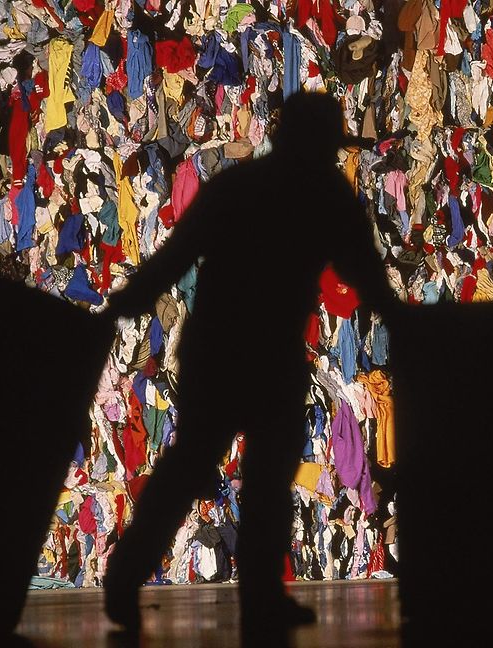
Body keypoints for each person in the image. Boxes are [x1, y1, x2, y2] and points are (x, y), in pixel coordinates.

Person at [101, 91, 401, 638]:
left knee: (198, 464)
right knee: (263, 477)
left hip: (218, 350)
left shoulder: (238, 187)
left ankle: (128, 574)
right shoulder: (327, 195)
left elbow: (171, 258)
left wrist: (119, 307)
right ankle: (257, 593)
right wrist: (408, 325)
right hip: (265, 355)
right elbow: (369, 277)